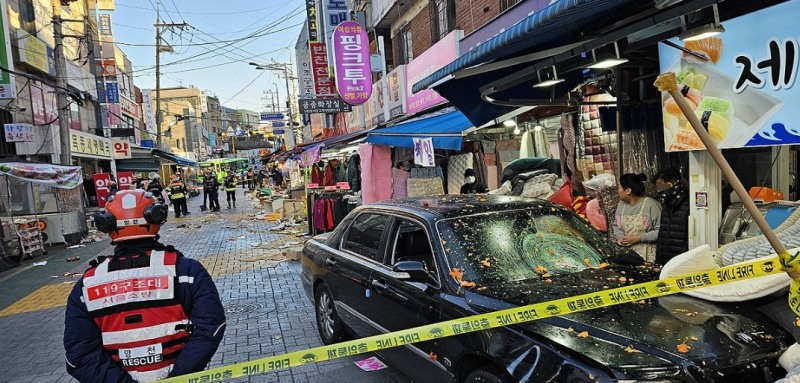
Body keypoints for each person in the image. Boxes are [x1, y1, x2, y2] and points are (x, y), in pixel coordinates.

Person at [64, 190, 226, 382]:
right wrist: (178, 378)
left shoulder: (87, 285)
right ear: (157, 217)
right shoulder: (185, 271)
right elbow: (211, 327)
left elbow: (79, 354)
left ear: (106, 224)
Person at [612, 173, 662, 263]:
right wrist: (620, 237)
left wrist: (639, 238)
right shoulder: (621, 205)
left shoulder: (651, 205)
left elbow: (661, 231)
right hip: (628, 254)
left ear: (628, 190)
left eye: (619, 187)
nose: (617, 191)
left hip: (648, 255)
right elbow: (616, 225)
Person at [654, 169, 690, 265]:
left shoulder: (689, 204)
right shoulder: (666, 205)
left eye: (661, 185)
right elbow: (662, 235)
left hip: (682, 261)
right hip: (664, 260)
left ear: (672, 184)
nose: (659, 190)